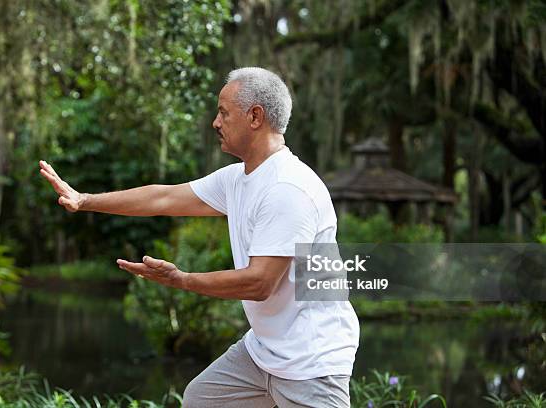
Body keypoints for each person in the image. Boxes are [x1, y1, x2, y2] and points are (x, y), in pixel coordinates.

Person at [39, 67, 360, 408]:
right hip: (264, 353)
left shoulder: (288, 189)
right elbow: (162, 198)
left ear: (255, 116)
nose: (215, 123)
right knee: (203, 399)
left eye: (224, 112)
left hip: (310, 362)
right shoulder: (238, 179)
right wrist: (85, 200)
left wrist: (182, 280)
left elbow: (259, 283)